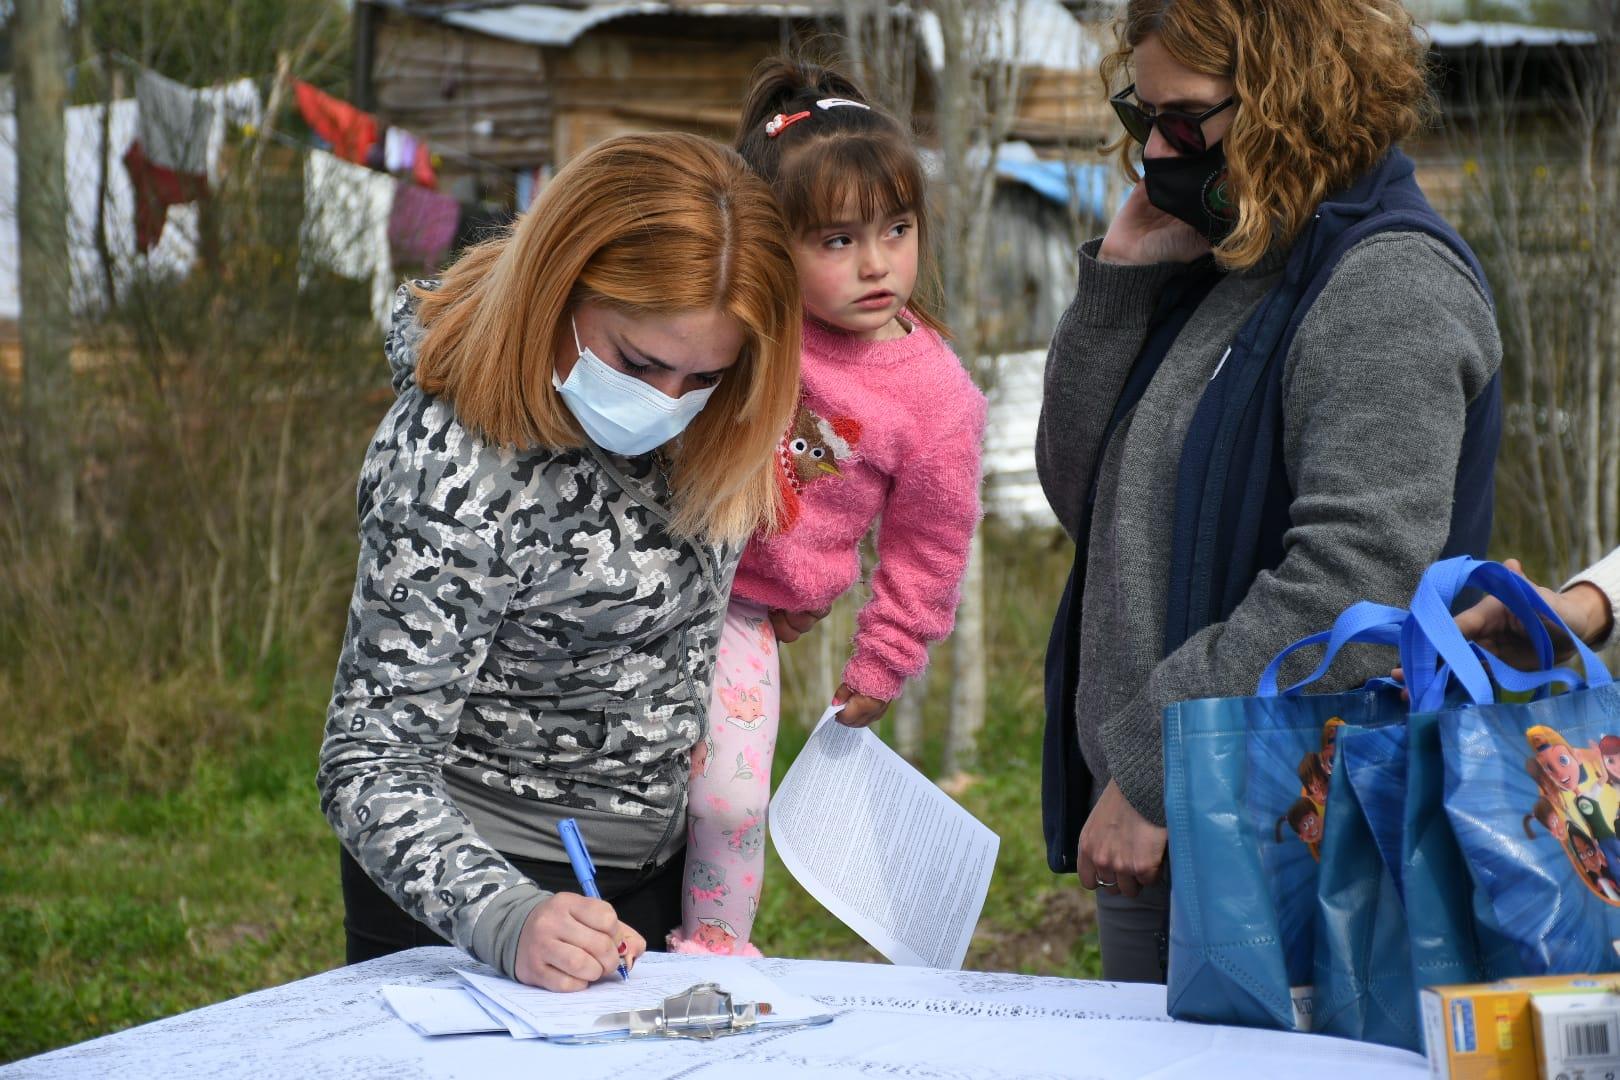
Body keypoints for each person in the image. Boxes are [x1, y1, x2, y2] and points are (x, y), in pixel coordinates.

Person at [1039, 0, 1503, 983]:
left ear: (1292, 99)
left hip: (1299, 845)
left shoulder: (1386, 287)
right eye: (1146, 116)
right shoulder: (1233, 261)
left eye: (1184, 119)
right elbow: (1088, 503)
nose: (1160, 150)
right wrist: (1119, 288)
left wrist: (1155, 765)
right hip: (1178, 824)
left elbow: (1363, 578)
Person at [315, 132, 802, 992]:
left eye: (705, 378)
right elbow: (371, 763)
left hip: (648, 880)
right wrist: (505, 918)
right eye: (640, 363)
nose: (668, 405)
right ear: (559, 284)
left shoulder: (712, 414)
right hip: (469, 896)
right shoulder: (453, 458)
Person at [667, 57, 988, 956]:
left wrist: (880, 665)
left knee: (731, 795)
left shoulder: (937, 399)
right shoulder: (745, 317)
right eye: (838, 241)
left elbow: (929, 548)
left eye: (897, 228)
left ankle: (716, 950)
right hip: (648, 575)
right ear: (775, 242)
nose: (877, 263)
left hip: (749, 610)